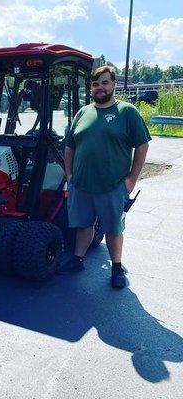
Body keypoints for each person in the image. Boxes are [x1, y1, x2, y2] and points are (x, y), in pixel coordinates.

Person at [60, 66, 151, 288]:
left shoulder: (127, 112)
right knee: (84, 225)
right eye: (95, 84)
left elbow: (142, 145)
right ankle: (78, 259)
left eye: (104, 83)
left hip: (112, 186)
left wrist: (131, 180)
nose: (99, 88)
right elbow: (70, 147)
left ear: (113, 85)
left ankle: (117, 268)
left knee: (113, 228)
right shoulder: (83, 113)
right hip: (81, 184)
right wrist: (69, 174)